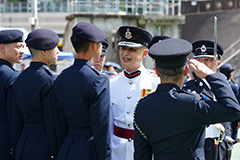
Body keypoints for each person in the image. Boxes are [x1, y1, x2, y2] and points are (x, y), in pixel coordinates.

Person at [133, 38, 240, 160]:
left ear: (157, 71)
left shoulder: (142, 107)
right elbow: (233, 110)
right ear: (186, 70)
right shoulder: (193, 103)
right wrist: (211, 75)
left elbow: (141, 154)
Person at [52, 22, 111, 160]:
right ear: (93, 45)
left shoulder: (61, 77)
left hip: (67, 147)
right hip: (89, 149)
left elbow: (58, 122)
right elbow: (102, 128)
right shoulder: (98, 80)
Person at [109, 26, 159, 160]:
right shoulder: (110, 83)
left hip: (146, 151)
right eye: (123, 48)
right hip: (116, 152)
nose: (125, 53)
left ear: (144, 53)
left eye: (132, 49)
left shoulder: (156, 82)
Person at [9, 29, 60, 160]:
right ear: (44, 51)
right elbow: (52, 121)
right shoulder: (49, 80)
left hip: (23, 144)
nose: (58, 51)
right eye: (54, 48)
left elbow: (15, 120)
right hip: (44, 146)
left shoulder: (19, 79)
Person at [182, 40, 230, 160]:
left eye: (208, 60)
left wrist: (227, 137)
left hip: (221, 148)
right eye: (200, 59)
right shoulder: (188, 89)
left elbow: (229, 115)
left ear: (217, 63)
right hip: (199, 148)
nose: (203, 63)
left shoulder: (223, 87)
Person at [0, 29, 24, 159]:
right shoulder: (11, 77)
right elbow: (15, 117)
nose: (22, 52)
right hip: (6, 142)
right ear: (2, 48)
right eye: (18, 47)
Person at [219, 63, 240, 159]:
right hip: (232, 119)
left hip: (219, 119)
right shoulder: (234, 87)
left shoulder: (216, 86)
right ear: (231, 75)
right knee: (230, 144)